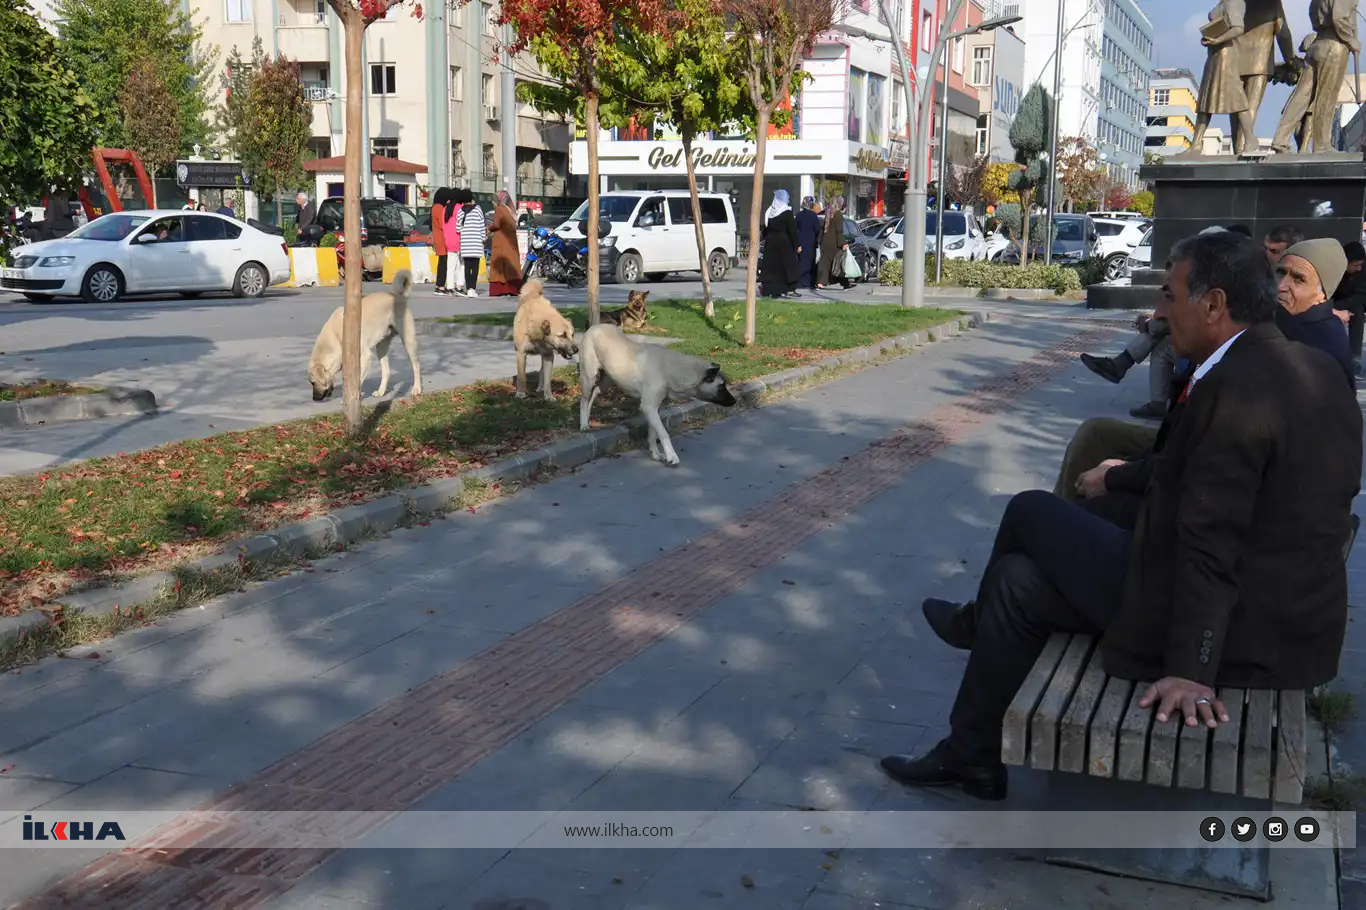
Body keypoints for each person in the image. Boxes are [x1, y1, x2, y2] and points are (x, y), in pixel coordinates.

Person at [882, 230, 1363, 801]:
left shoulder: (1238, 390)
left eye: (1169, 295)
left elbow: (1213, 538)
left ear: (1213, 305)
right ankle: (974, 757)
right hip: (1280, 610)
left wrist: (1192, 666)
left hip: (1246, 629)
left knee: (1030, 511)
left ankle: (973, 625)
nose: (1160, 311)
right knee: (1019, 582)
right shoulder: (1304, 365)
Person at [1078, 224, 1303, 419]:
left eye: (1172, 297)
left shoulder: (1232, 391)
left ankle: (1124, 364)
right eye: (1265, 248)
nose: (1266, 254)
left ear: (1214, 304)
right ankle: (1143, 386)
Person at [1273, 237, 1355, 386]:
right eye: (1280, 272)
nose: (1281, 286)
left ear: (1322, 294)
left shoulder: (1321, 348)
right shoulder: (1283, 319)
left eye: (1299, 279)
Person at [758, 189, 800, 298]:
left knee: (772, 268)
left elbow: (766, 228)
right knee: (787, 267)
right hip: (784, 244)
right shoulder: (787, 212)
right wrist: (797, 244)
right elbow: (792, 230)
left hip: (771, 244)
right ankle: (789, 289)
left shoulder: (770, 212)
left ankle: (770, 289)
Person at [1333, 240, 1366, 374]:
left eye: (1361, 265)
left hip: (1352, 301)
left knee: (1358, 312)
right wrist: (1335, 308)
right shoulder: (1332, 268)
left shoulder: (1362, 271)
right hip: (1331, 301)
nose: (1358, 268)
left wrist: (1344, 307)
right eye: (1355, 265)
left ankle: (1355, 356)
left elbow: (1361, 294)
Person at [487, 190, 522, 297]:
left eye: (494, 201)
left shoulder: (499, 209)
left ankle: (500, 289)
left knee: (500, 265)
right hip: (511, 242)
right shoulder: (510, 210)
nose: (493, 203)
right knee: (510, 265)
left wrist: (488, 229)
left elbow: (497, 224)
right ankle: (512, 289)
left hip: (501, 241)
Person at [816, 196, 852, 290]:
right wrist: (843, 243)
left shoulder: (828, 214)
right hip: (834, 243)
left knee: (825, 263)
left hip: (825, 242)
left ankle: (820, 282)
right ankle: (845, 283)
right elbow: (839, 231)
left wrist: (819, 241)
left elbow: (823, 229)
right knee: (838, 264)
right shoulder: (838, 214)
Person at [456, 189, 485, 298]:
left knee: (467, 267)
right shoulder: (478, 209)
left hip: (465, 244)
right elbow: (482, 226)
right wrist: (483, 237)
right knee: (475, 267)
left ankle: (468, 289)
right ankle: (473, 288)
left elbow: (458, 229)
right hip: (476, 243)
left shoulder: (460, 211)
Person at [795, 196, 822, 290]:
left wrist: (797, 243)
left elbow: (795, 230)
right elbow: (817, 229)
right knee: (810, 263)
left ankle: (800, 282)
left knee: (802, 262)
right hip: (810, 243)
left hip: (801, 243)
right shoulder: (813, 216)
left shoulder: (798, 215)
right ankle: (809, 282)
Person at [430, 188, 452, 295]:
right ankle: (440, 286)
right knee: (443, 263)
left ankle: (440, 285)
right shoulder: (439, 207)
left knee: (442, 262)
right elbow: (442, 222)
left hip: (439, 237)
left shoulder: (436, 206)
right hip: (442, 238)